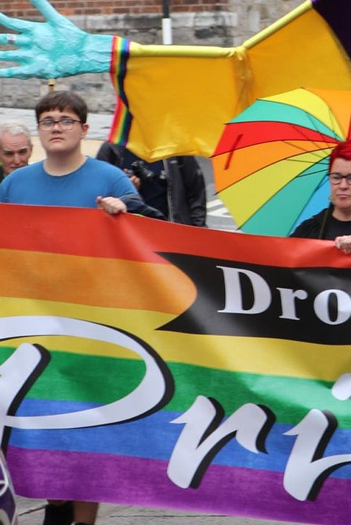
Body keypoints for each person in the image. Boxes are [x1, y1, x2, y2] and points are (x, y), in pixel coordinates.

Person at [0, 91, 136, 525]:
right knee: (42, 435)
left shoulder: (111, 180)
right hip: (32, 328)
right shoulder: (14, 185)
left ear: (83, 128)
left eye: (65, 119)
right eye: (47, 120)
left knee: (86, 438)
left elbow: (152, 238)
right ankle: (54, 511)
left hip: (94, 329)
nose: (55, 127)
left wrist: (124, 213)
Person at [95, 142, 207, 226]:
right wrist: (124, 190)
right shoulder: (112, 149)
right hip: (126, 235)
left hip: (169, 232)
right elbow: (97, 197)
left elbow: (196, 195)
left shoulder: (176, 148)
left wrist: (199, 233)